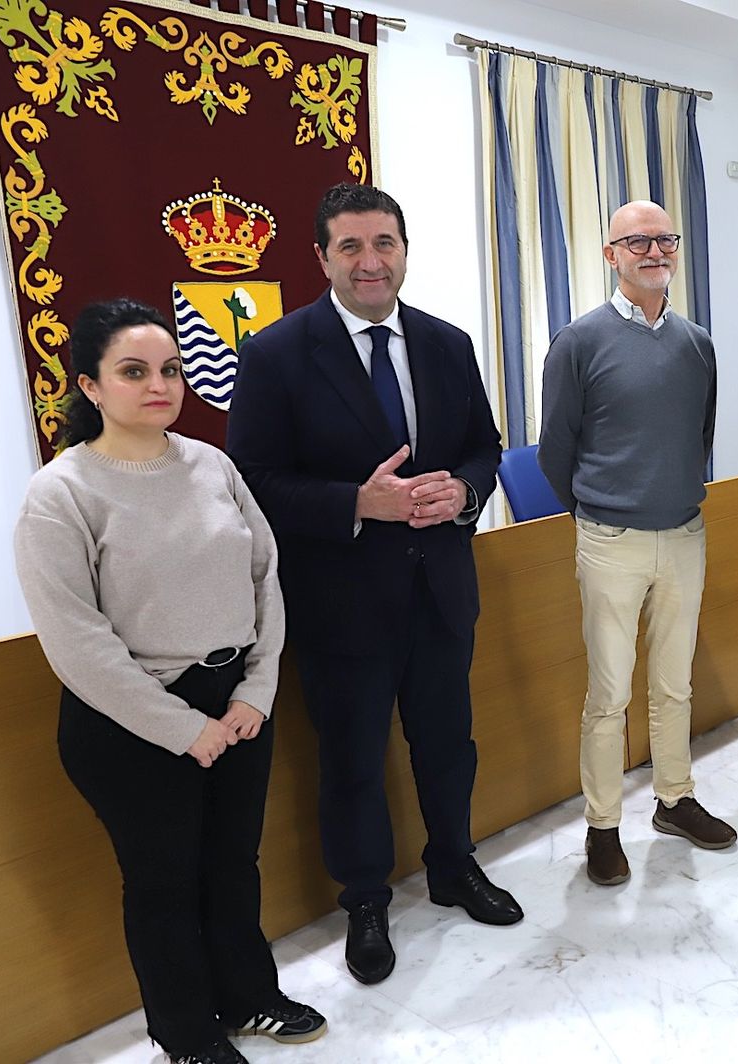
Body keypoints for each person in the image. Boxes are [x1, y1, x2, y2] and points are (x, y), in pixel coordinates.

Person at [14, 299, 325, 1064]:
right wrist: (185, 728)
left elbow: (266, 578)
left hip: (237, 706)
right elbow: (79, 645)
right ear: (89, 386)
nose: (159, 385)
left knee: (232, 863)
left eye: (170, 369)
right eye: (133, 371)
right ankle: (187, 1035)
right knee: (164, 883)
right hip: (130, 722)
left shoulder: (211, 464)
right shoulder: (61, 494)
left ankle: (250, 997)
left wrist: (256, 690)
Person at [226, 184, 519, 987]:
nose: (370, 261)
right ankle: (364, 900)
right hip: (340, 605)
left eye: (384, 243)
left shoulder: (448, 343)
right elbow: (252, 480)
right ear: (321, 257)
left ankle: (454, 866)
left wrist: (463, 491)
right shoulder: (278, 354)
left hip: (441, 593)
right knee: (353, 761)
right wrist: (356, 501)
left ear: (403, 251)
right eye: (350, 246)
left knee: (447, 746)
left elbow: (485, 448)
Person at [538, 200, 735, 886]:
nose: (655, 251)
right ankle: (602, 826)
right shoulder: (579, 341)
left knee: (674, 685)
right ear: (610, 255)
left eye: (665, 240)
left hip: (684, 532)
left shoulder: (697, 341)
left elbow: (699, 434)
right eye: (638, 242)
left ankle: (675, 801)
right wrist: (597, 511)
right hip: (610, 539)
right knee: (609, 693)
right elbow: (555, 450)